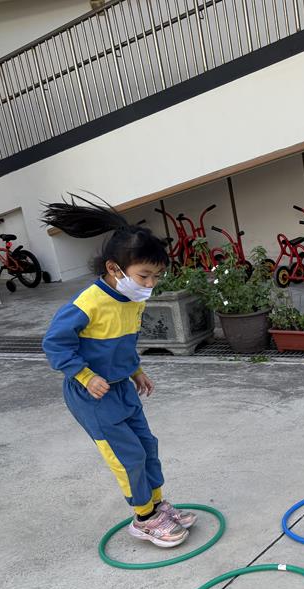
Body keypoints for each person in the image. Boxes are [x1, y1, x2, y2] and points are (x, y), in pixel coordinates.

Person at [41, 196, 193, 547]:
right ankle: (144, 519)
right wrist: (85, 375)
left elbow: (122, 342)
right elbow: (54, 344)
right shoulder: (87, 304)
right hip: (92, 394)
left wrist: (136, 370)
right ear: (115, 269)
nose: (150, 283)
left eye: (156, 276)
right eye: (144, 275)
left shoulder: (133, 299)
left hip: (121, 385)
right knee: (128, 456)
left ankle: (157, 505)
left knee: (147, 446)